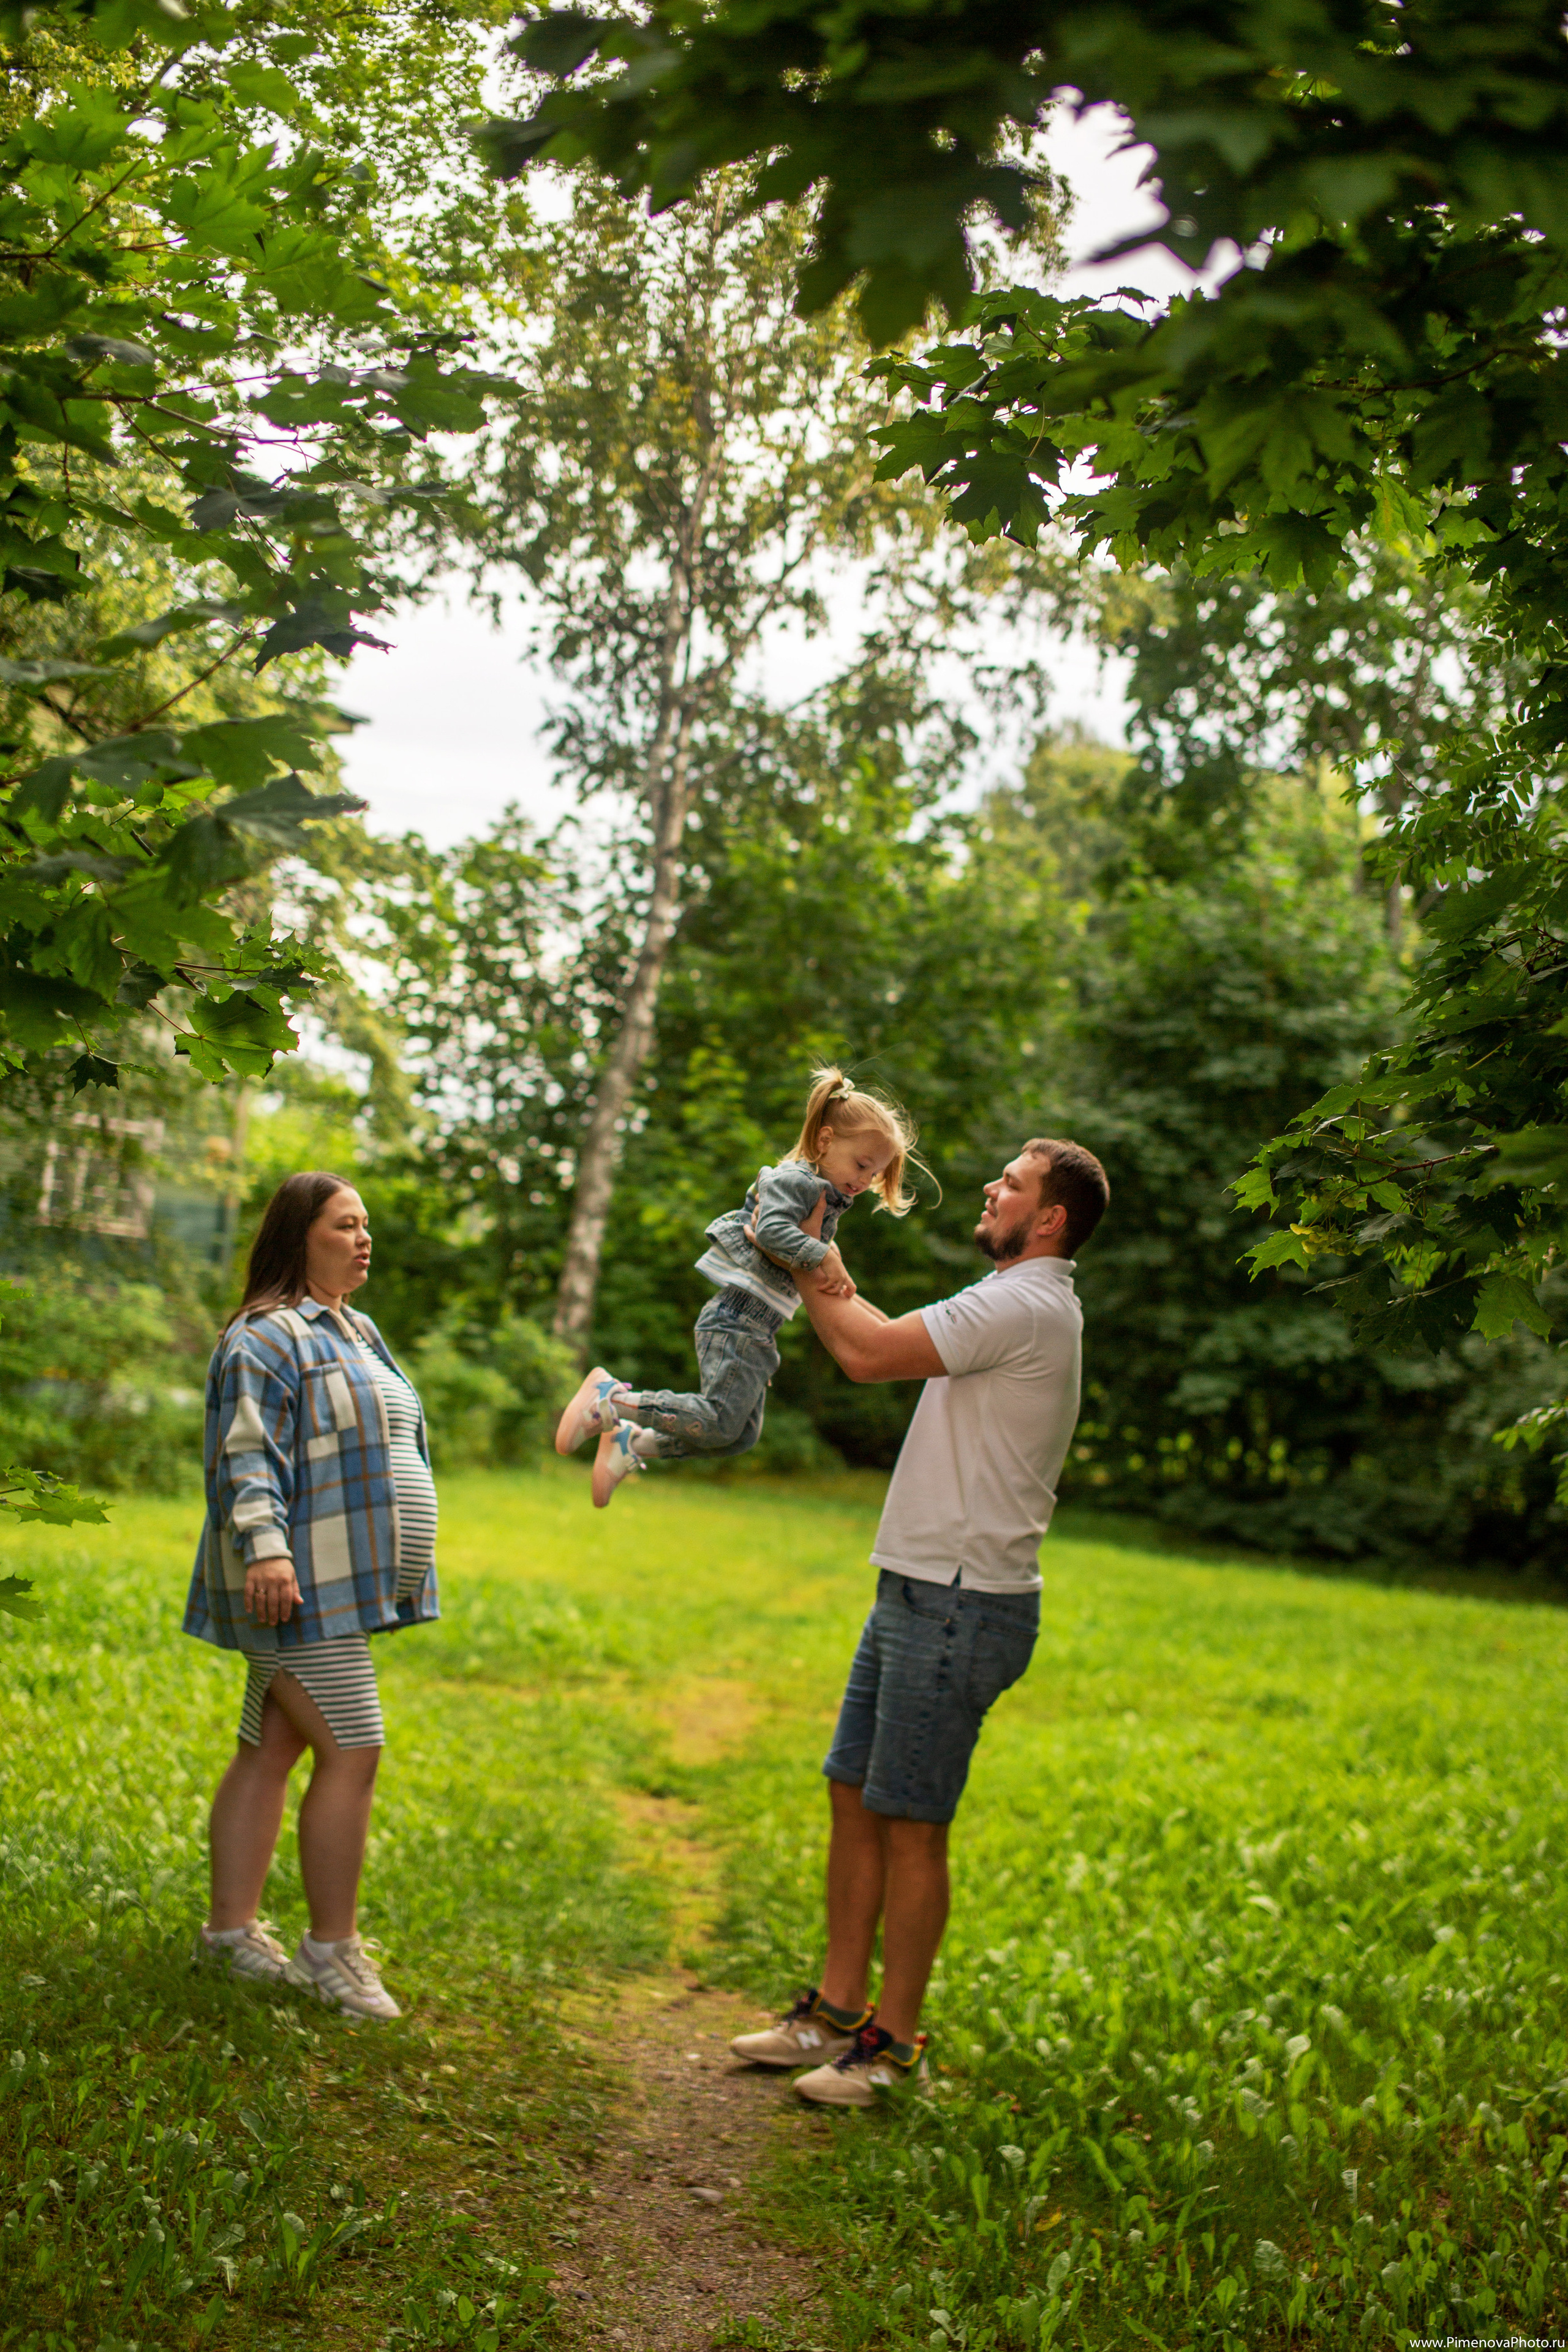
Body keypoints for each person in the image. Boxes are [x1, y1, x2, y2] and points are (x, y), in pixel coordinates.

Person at [730, 1136, 1110, 2106]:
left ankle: (893, 2049)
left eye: (1012, 1185)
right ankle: (837, 2012)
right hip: (916, 1584)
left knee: (911, 1824)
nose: (992, 1189)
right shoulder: (1017, 1301)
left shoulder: (1023, 1302)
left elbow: (864, 1351)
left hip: (962, 1601)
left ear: (1052, 1218)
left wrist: (806, 1248)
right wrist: (812, 1250)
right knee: (854, 1794)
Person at [184, 1170, 440, 2020]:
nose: (364, 1239)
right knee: (354, 1749)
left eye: (367, 1225)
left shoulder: (357, 1330)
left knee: (271, 1749)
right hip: (296, 1587)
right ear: (300, 1236)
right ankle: (330, 1951)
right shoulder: (265, 1338)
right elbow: (244, 1455)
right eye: (344, 1225)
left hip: (341, 1584)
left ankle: (228, 1937)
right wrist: (267, 1553)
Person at [554, 1065, 924, 1506]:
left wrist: (850, 1286)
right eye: (862, 1165)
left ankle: (632, 1443)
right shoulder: (796, 1180)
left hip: (758, 1329)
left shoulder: (823, 1198)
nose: (864, 1181)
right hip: (737, 1320)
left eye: (875, 1174)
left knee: (738, 1437)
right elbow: (767, 1231)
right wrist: (823, 1254)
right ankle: (610, 1401)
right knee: (719, 1421)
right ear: (825, 1141)